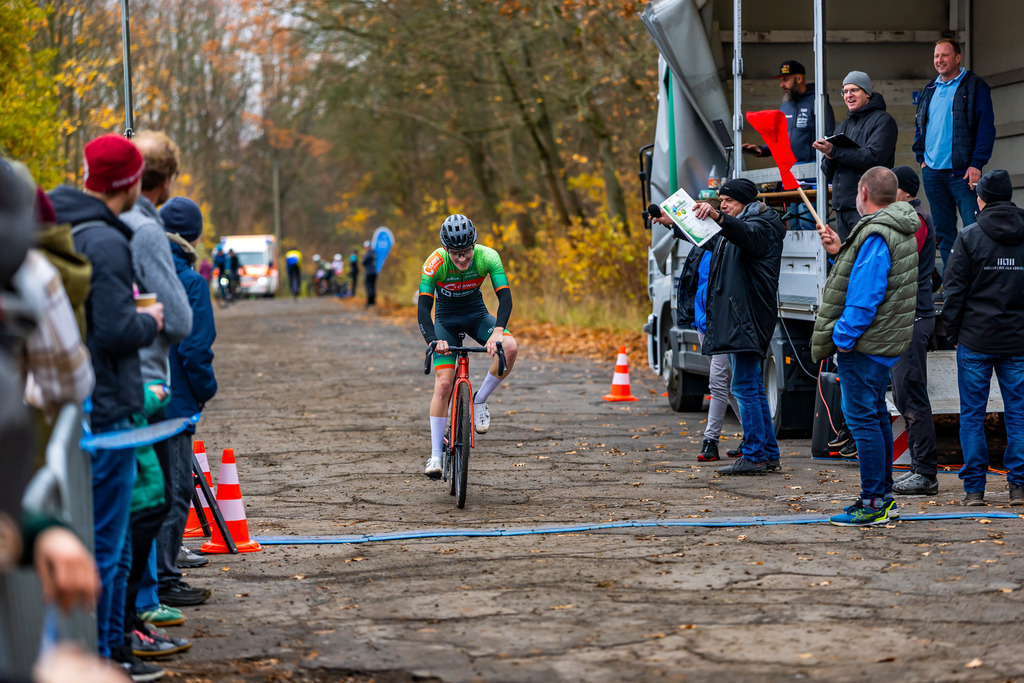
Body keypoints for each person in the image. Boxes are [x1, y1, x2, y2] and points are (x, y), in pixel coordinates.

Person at [48, 133, 165, 676]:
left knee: (95, 534)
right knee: (110, 543)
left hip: (76, 405)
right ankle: (109, 654)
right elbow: (117, 327)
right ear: (132, 182)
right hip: (111, 405)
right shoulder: (108, 241)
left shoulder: (61, 224)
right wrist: (152, 321)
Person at [118, 132, 199, 638]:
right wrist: (154, 316)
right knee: (151, 497)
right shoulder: (146, 231)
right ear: (166, 182)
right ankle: (139, 607)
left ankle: (136, 607)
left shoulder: (105, 222)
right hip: (144, 382)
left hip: (119, 379)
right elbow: (182, 319)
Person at [655, 179, 785, 475]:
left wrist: (718, 216)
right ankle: (767, 452)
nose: (722, 205)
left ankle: (754, 455)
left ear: (743, 202)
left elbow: (743, 234)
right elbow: (713, 241)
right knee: (750, 387)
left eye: (727, 200)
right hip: (743, 317)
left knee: (743, 387)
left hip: (747, 317)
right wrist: (674, 224)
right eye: (720, 201)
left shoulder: (760, 225)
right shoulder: (739, 226)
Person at [811, 167, 919, 527]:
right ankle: (882, 498)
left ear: (862, 193)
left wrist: (841, 338)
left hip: (864, 343)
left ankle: (874, 502)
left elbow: (866, 295)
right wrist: (839, 251)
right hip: (882, 342)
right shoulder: (896, 228)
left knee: (862, 420)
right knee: (874, 417)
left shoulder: (876, 234)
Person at [941, 170, 1024, 507]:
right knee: (1018, 414)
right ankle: (1019, 487)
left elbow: (953, 291)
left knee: (973, 415)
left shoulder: (969, 237)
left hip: (975, 340)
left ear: (982, 197)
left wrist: (953, 332)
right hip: (1017, 342)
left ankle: (974, 490)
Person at [418, 214, 519, 478]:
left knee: (509, 347)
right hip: (445, 322)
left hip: (476, 315)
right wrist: (433, 340)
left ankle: (479, 400)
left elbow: (505, 298)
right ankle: (435, 456)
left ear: (473, 245)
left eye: (466, 252)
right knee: (443, 383)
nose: (462, 258)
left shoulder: (488, 257)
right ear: (446, 249)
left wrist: (498, 331)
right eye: (456, 253)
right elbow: (423, 309)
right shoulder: (435, 263)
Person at [913, 38, 996, 269]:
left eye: (945, 55)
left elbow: (986, 127)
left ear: (958, 58)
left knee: (974, 228)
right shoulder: (930, 88)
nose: (939, 60)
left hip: (963, 173)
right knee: (944, 232)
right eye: (936, 56)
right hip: (933, 173)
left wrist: (977, 164)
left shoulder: (974, 85)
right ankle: (953, 285)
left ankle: (977, 286)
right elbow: (921, 124)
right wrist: (922, 159)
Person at [672, 198, 741, 462]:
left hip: (720, 324)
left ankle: (710, 442)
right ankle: (756, 436)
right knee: (731, 385)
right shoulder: (703, 245)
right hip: (703, 323)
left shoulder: (727, 244)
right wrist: (670, 222)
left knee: (717, 383)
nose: (723, 207)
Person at [889, 166, 941, 497]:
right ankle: (918, 469)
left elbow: (903, 263)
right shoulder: (907, 217)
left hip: (913, 317)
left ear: (906, 192)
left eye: (892, 187)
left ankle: (925, 472)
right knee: (903, 393)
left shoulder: (915, 220)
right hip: (905, 316)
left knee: (911, 394)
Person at [743, 60, 835, 231]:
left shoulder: (818, 101)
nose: (781, 84)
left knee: (809, 224)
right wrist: (762, 150)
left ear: (799, 78)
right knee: (792, 226)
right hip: (788, 175)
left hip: (811, 177)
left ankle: (816, 259)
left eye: (785, 79)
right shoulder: (786, 104)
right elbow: (781, 138)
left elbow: (828, 138)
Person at [814, 71, 898, 242]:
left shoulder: (883, 121)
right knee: (848, 261)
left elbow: (874, 158)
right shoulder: (843, 126)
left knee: (865, 258)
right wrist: (829, 156)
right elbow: (828, 172)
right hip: (842, 206)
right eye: (845, 91)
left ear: (867, 93)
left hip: (869, 206)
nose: (848, 95)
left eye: (854, 90)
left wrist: (835, 151)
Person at [362, 240, 377, 306]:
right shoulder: (374, 253)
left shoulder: (369, 253)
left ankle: (370, 302)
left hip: (369, 272)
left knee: (369, 286)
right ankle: (373, 301)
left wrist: (364, 256)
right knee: (373, 286)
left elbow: (364, 262)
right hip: (374, 272)